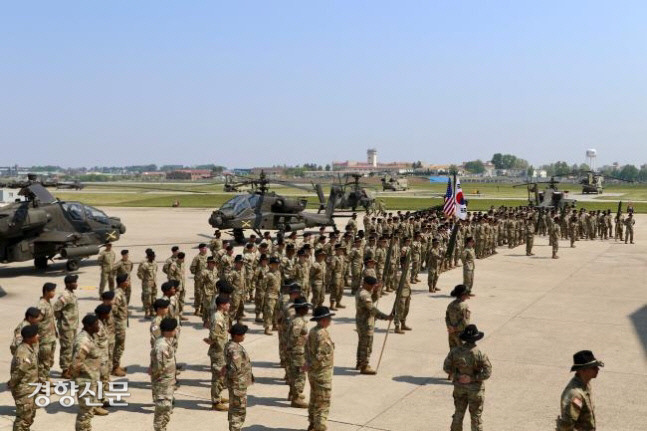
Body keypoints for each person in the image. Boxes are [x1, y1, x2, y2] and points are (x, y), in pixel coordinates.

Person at [443, 324, 492, 431]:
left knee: (458, 414)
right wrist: (472, 378)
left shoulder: (455, 352)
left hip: (459, 388)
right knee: (476, 417)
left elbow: (446, 367)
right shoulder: (480, 353)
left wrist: (457, 376)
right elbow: (487, 372)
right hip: (475, 390)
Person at [71, 314, 106, 430]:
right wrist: (89, 374)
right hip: (85, 381)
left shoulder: (91, 336)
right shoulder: (83, 341)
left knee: (89, 411)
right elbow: (76, 364)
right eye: (96, 324)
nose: (98, 327)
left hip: (91, 381)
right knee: (85, 412)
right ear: (88, 326)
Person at [304, 306, 335, 431]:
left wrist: (308, 364)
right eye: (328, 318)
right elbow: (320, 356)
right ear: (323, 320)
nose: (330, 321)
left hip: (313, 373)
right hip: (321, 373)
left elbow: (307, 350)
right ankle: (319, 426)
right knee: (323, 402)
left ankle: (312, 423)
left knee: (314, 399)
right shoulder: (322, 334)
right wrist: (312, 365)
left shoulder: (313, 331)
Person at [556, 350, 604, 431]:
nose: (598, 369)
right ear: (582, 370)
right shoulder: (575, 394)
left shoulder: (585, 383)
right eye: (593, 367)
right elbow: (566, 426)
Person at [355, 276, 393, 374]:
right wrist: (386, 317)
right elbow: (372, 310)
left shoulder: (363, 291)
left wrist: (376, 292)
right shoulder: (364, 295)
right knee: (367, 344)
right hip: (365, 322)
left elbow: (372, 299)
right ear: (366, 284)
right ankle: (364, 366)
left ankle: (360, 363)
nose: (373, 287)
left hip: (362, 321)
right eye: (372, 286)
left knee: (362, 343)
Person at [9, 324, 39, 431]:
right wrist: (12, 385)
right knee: (23, 420)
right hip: (23, 391)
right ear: (29, 338)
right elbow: (18, 373)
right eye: (36, 335)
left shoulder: (29, 348)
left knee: (28, 418)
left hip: (30, 388)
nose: (38, 336)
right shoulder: (23, 352)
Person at [224, 323, 254, 431]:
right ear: (236, 335)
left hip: (236, 384)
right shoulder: (235, 350)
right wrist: (237, 382)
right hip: (238, 385)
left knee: (234, 409)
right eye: (242, 334)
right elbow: (234, 370)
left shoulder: (230, 345)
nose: (244, 336)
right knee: (238, 411)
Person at [151, 318, 178, 431]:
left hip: (167, 381)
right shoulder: (162, 346)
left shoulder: (165, 341)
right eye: (174, 329)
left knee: (166, 410)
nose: (176, 331)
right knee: (162, 409)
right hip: (163, 382)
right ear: (169, 331)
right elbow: (158, 367)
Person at [205, 296, 230, 411]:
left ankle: (218, 396)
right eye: (227, 303)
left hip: (221, 349)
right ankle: (215, 402)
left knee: (221, 375)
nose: (229, 305)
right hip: (218, 351)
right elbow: (214, 336)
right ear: (221, 305)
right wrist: (210, 341)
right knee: (218, 376)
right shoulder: (218, 318)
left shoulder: (220, 316)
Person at [53, 274, 79, 379]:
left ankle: (69, 368)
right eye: (74, 282)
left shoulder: (71, 294)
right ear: (68, 284)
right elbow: (55, 308)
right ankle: (65, 370)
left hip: (72, 326)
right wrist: (61, 319)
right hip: (66, 327)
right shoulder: (65, 296)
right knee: (66, 348)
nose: (76, 284)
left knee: (71, 347)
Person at [286, 296, 310, 408]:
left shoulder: (295, 318)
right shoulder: (298, 322)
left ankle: (293, 393)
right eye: (305, 308)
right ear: (301, 309)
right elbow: (294, 337)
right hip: (298, 352)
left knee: (294, 373)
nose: (307, 310)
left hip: (296, 351)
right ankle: (296, 398)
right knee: (299, 374)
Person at [37, 282, 57, 384]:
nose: (54, 293)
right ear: (46, 292)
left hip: (51, 337)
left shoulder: (48, 302)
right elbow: (36, 321)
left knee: (49, 360)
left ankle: (46, 376)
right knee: (43, 360)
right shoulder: (41, 305)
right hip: (44, 338)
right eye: (52, 291)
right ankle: (42, 381)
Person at [112, 273, 129, 377]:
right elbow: (113, 310)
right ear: (123, 283)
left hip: (120, 323)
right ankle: (115, 368)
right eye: (127, 280)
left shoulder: (121, 292)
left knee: (119, 346)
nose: (129, 282)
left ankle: (116, 364)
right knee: (119, 345)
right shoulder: (118, 294)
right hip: (118, 325)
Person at [445, 285, 471, 351]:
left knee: (453, 355)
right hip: (461, 335)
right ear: (463, 295)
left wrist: (450, 327)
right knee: (462, 355)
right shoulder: (464, 306)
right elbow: (465, 323)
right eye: (467, 293)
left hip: (451, 334)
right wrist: (455, 329)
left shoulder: (451, 304)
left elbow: (447, 318)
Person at [137, 248, 158, 318]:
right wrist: (144, 279)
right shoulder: (145, 265)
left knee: (154, 297)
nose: (154, 257)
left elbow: (156, 271)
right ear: (149, 257)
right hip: (147, 283)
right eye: (152, 256)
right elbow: (139, 273)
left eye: (154, 256)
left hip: (154, 282)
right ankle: (147, 312)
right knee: (147, 298)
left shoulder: (155, 263)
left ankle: (152, 311)